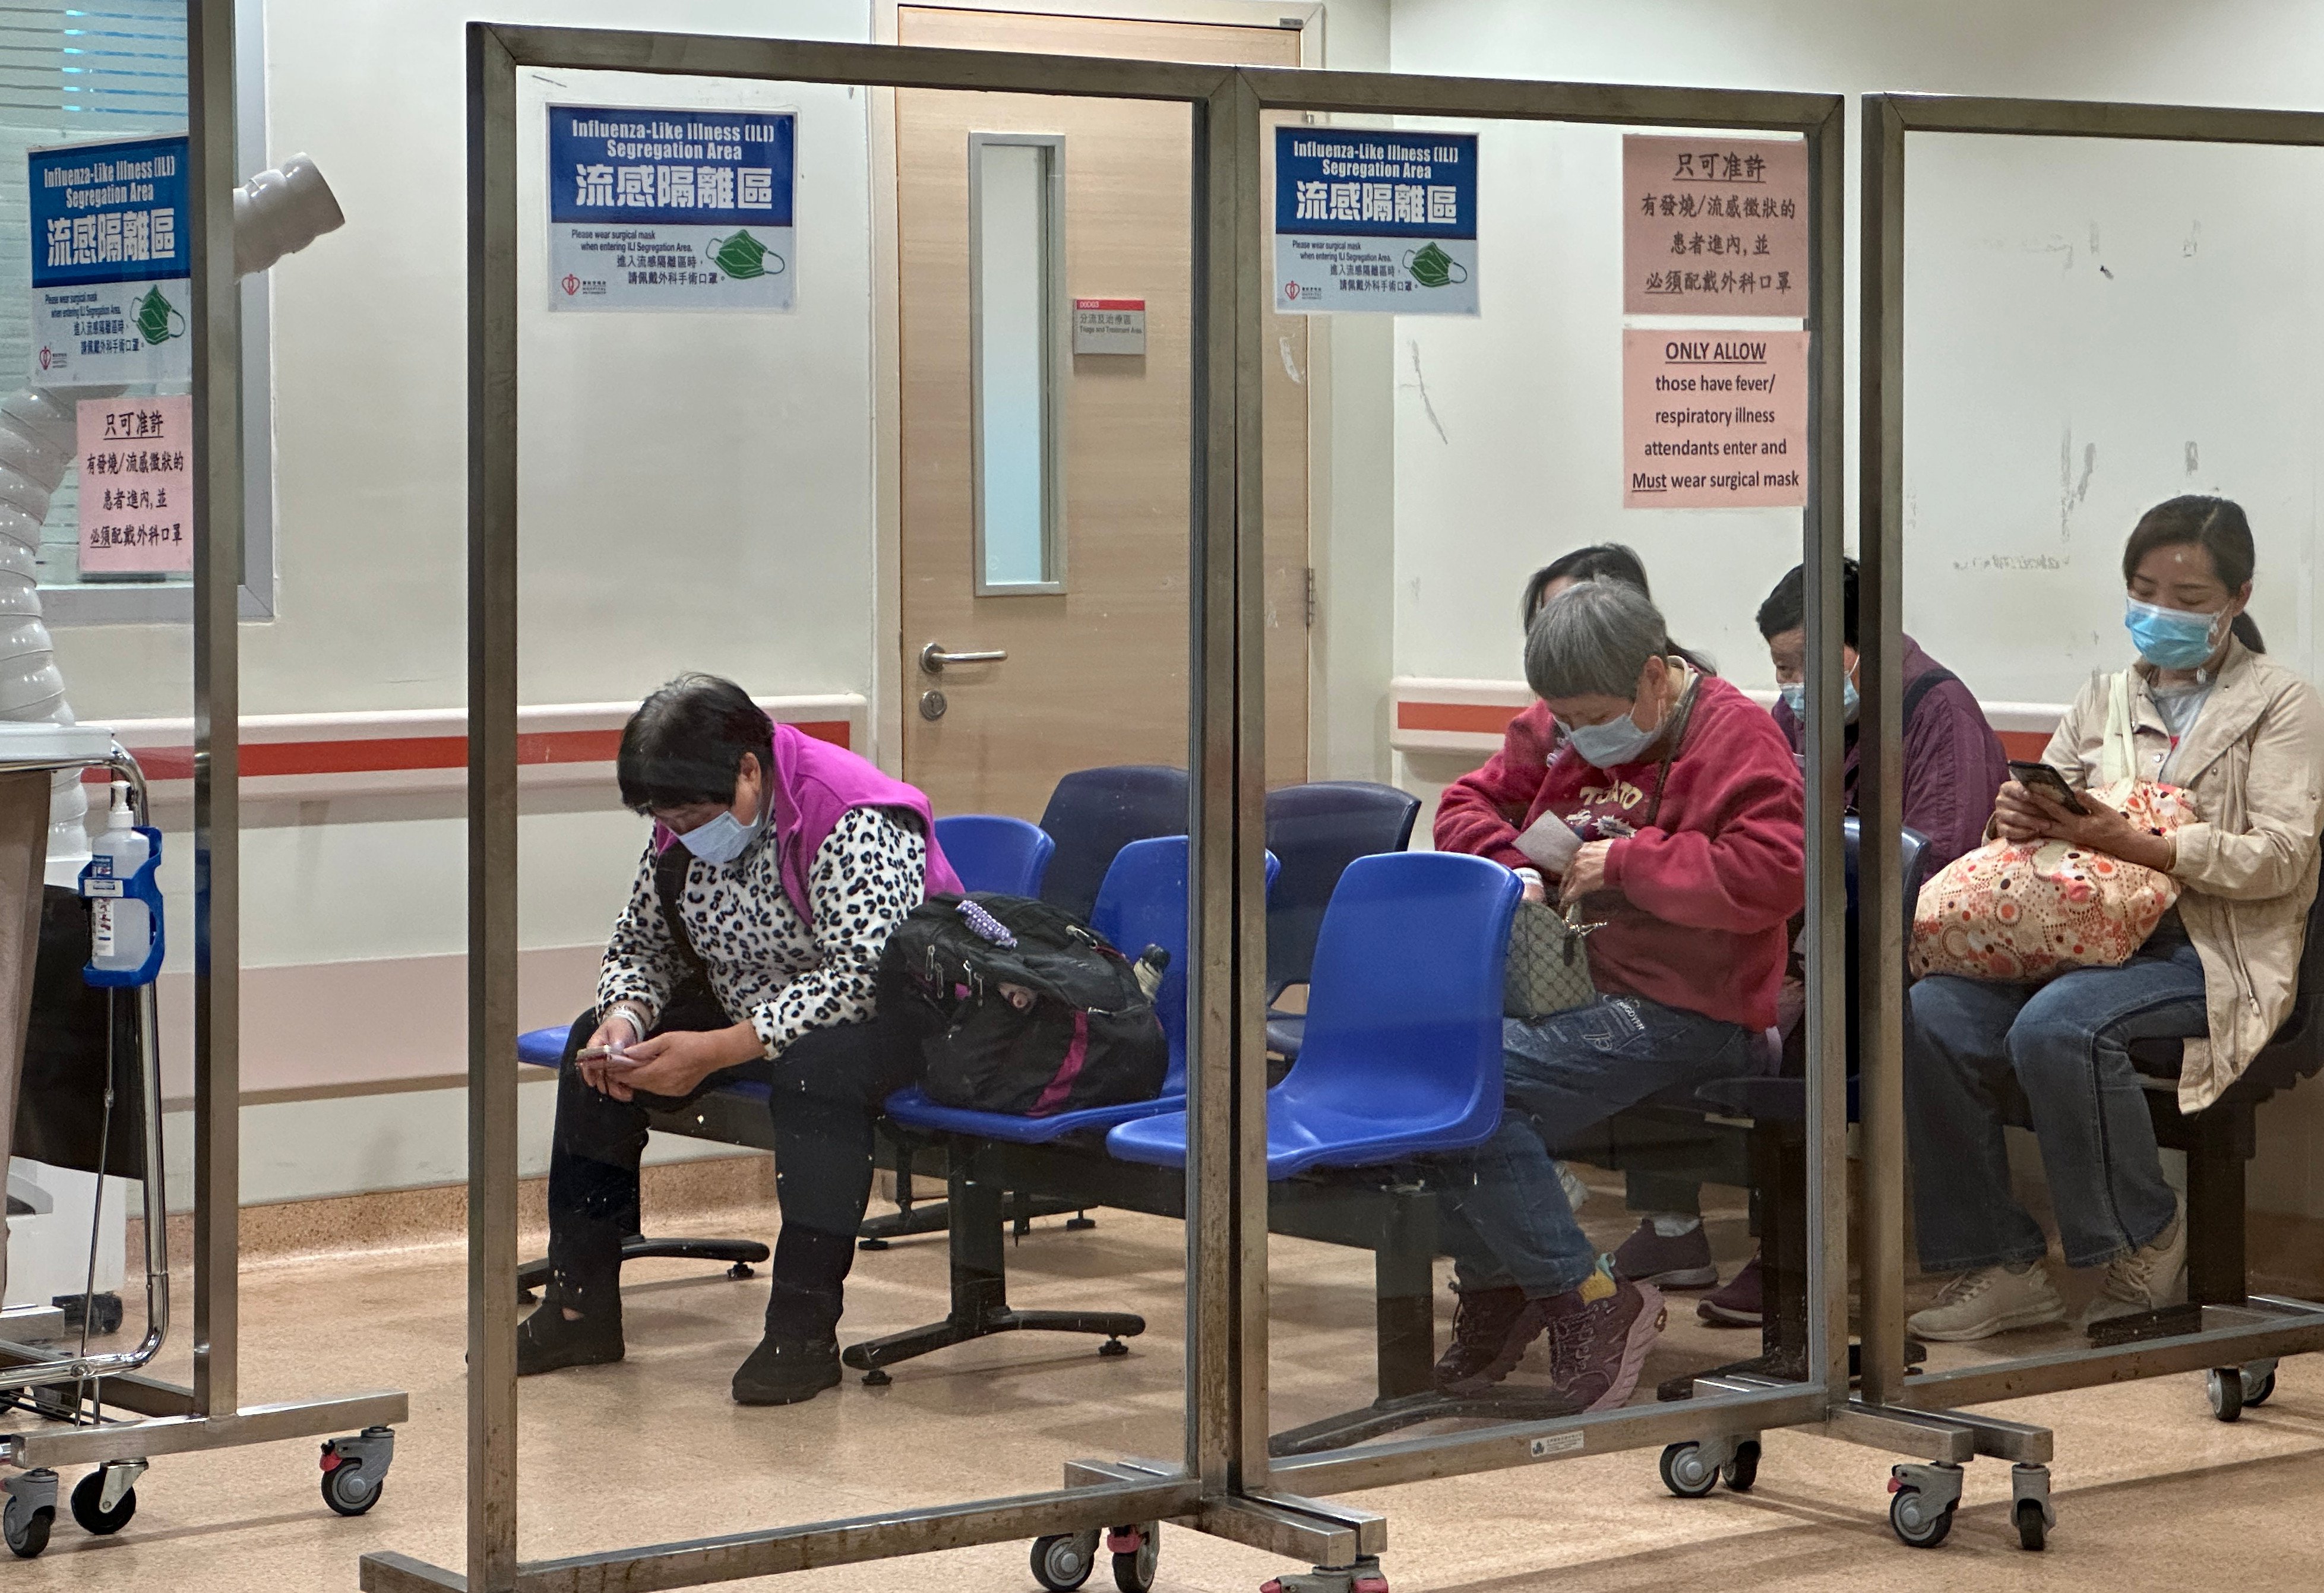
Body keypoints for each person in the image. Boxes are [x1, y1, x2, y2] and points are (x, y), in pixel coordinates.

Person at [1905, 497, 2324, 1342]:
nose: (2160, 612)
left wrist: (2148, 845)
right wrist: (2014, 820)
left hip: (2206, 944)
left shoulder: (2282, 704)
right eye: (2144, 590)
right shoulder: (2102, 697)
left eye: (2189, 597)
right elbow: (2041, 807)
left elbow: (2281, 855)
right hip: (2079, 935)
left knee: (2058, 1027)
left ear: (2238, 597)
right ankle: (2000, 1262)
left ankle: (2145, 1236)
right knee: (1932, 1010)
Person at [516, 674, 963, 1403]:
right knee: (590, 1057)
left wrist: (723, 1048)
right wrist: (623, 1017)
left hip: (893, 1013)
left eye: (693, 816)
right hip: (747, 1000)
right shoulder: (681, 821)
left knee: (817, 1077)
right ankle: (579, 1309)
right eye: (669, 821)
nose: (683, 834)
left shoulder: (849, 812)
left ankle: (802, 1331)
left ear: (748, 771)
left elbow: (862, 976)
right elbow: (642, 942)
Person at [1430, 580, 1804, 1409]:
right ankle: (1502, 1286)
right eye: (1561, 719)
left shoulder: (1734, 734)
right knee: (1432, 1070)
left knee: (1475, 1086)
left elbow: (1776, 873)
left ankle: (1590, 1299)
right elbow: (1463, 802)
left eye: (1592, 715)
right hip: (1563, 987)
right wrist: (1512, 862)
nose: (1575, 736)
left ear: (1651, 677)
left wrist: (1631, 866)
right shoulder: (1558, 724)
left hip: (1692, 1010)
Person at [1618, 558, 2012, 1325]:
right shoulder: (1797, 714)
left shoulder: (1939, 712)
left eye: (1802, 664)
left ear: (1860, 644)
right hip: (1813, 942)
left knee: (1816, 1028)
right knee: (1664, 987)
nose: (1792, 685)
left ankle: (1794, 1255)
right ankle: (1678, 1226)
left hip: (1907, 957)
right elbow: (1756, 825)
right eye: (1781, 667)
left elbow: (1937, 869)